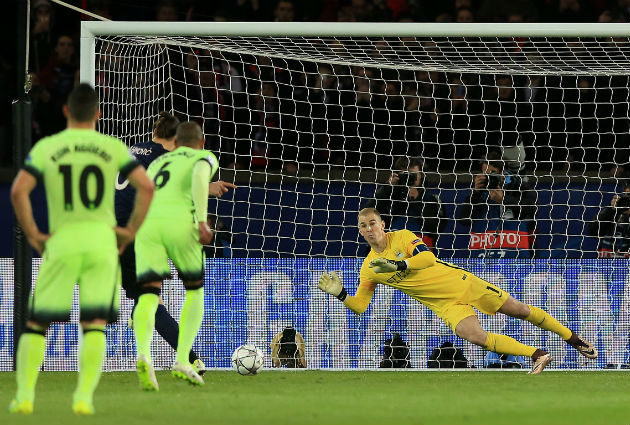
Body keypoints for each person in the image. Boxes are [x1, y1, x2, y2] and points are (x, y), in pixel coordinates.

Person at [9, 83, 154, 414]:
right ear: (98, 114)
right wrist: (128, 232)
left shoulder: (49, 146)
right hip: (102, 243)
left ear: (65, 112)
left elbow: (19, 191)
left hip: (63, 241)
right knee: (94, 323)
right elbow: (146, 187)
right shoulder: (113, 146)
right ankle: (84, 398)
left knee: (36, 324)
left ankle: (25, 396)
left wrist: (33, 234)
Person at [318, 208, 598, 374]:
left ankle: (573, 340)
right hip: (445, 305)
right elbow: (361, 306)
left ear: (382, 225)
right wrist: (341, 293)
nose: (369, 229)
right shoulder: (368, 268)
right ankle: (537, 354)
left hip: (462, 283)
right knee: (472, 335)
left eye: (372, 223)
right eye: (363, 226)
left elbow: (427, 258)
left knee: (521, 311)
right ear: (360, 231)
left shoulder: (402, 237)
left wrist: (396, 263)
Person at [116, 112, 235, 376]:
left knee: (142, 297)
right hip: (138, 230)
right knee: (167, 296)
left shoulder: (134, 150)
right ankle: (190, 360)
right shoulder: (166, 157)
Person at [132, 122, 217, 390]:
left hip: (147, 226)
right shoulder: (203, 157)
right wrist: (202, 221)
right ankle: (182, 359)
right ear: (200, 143)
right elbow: (200, 178)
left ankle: (144, 354)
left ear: (177, 143)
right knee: (194, 292)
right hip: (180, 224)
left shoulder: (159, 162)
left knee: (147, 295)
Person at [458, 152, 536, 258]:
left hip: (513, 254)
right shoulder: (479, 194)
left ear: (503, 172)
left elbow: (532, 208)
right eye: (485, 173)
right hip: (482, 255)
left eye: (492, 173)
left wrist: (504, 200)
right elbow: (463, 220)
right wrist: (475, 193)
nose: (488, 176)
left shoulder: (517, 186)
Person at [365, 156, 445, 249]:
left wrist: (417, 201)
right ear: (397, 174)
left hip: (420, 252)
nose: (409, 178)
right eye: (405, 174)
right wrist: (387, 188)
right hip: (388, 251)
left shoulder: (432, 199)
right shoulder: (387, 197)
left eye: (413, 175)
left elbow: (437, 228)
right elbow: (367, 215)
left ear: (421, 176)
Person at [588, 182, 630, 258]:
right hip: (606, 265)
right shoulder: (612, 212)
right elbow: (592, 231)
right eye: (626, 195)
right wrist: (611, 210)